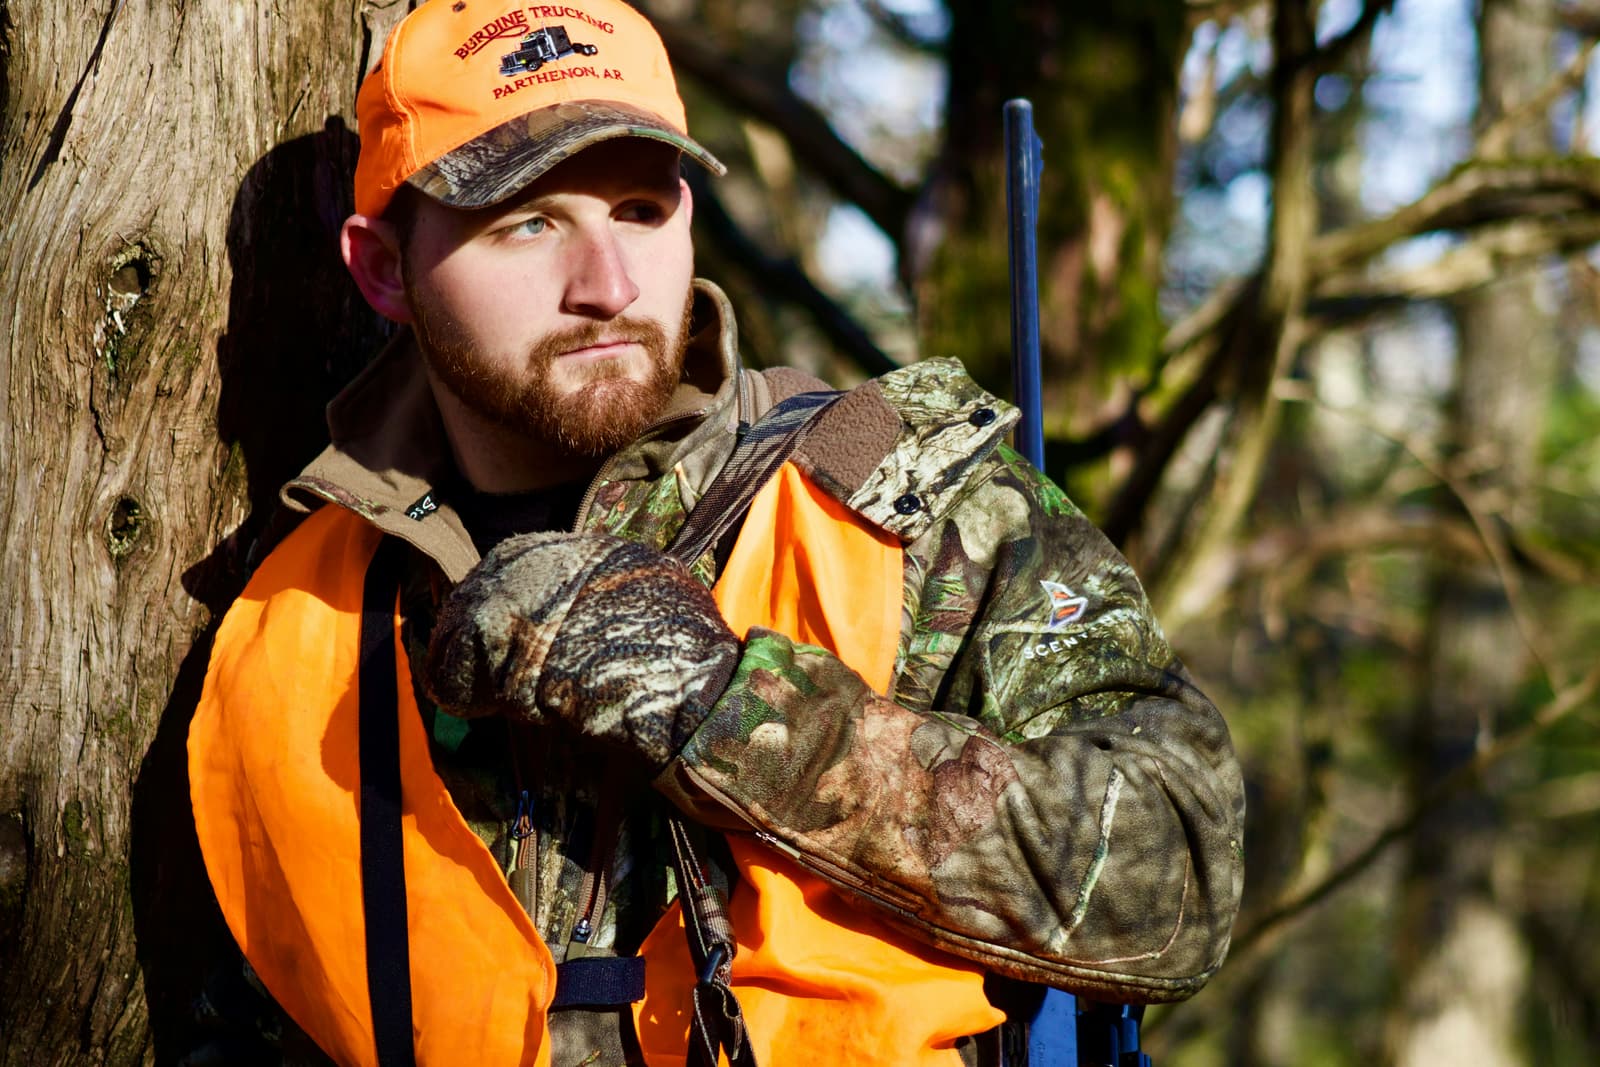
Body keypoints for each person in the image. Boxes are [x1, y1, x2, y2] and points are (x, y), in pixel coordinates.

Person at [187, 1, 1246, 1064]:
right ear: (381, 269)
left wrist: (729, 707)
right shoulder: (294, 607)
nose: (605, 286)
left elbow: (1185, 874)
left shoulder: (909, 504)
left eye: (640, 210)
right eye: (528, 221)